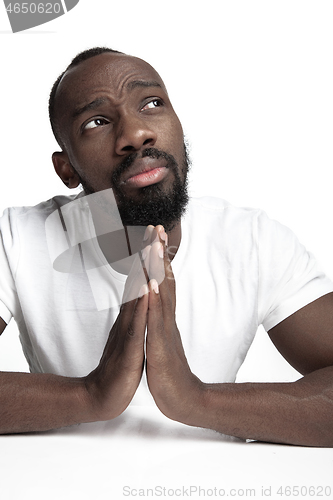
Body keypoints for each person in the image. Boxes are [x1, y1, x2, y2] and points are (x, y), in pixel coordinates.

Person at [0, 47, 333, 446]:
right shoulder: (18, 238)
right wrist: (92, 394)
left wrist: (195, 399)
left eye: (152, 103)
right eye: (97, 121)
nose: (136, 134)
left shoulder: (252, 240)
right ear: (67, 168)